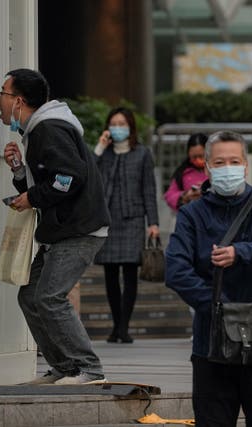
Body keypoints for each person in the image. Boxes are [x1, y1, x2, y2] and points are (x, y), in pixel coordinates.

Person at [165, 131, 252, 426]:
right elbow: (176, 271)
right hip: (211, 345)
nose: (227, 167)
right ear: (206, 168)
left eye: (234, 161)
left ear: (245, 165)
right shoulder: (192, 214)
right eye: (219, 162)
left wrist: (242, 252)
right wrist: (218, 309)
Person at [0, 68, 110, 385]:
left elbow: (69, 178)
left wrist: (32, 197)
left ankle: (88, 368)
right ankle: (65, 367)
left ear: (18, 100)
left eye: (2, 94)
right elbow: (51, 179)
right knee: (31, 297)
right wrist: (20, 170)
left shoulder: (49, 127)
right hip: (61, 230)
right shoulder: (39, 130)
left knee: (49, 297)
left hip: (77, 230)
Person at [93, 107, 160, 344]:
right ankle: (115, 325)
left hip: (132, 219)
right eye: (113, 123)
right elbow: (89, 174)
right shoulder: (105, 154)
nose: (117, 128)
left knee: (130, 274)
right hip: (108, 219)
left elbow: (149, 190)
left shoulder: (142, 154)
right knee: (110, 275)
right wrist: (99, 148)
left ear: (130, 127)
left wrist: (153, 222)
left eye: (122, 124)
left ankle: (124, 327)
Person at [163, 133, 208, 212]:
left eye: (201, 156)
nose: (198, 160)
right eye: (194, 157)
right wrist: (185, 196)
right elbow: (169, 195)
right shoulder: (183, 172)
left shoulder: (216, 169)